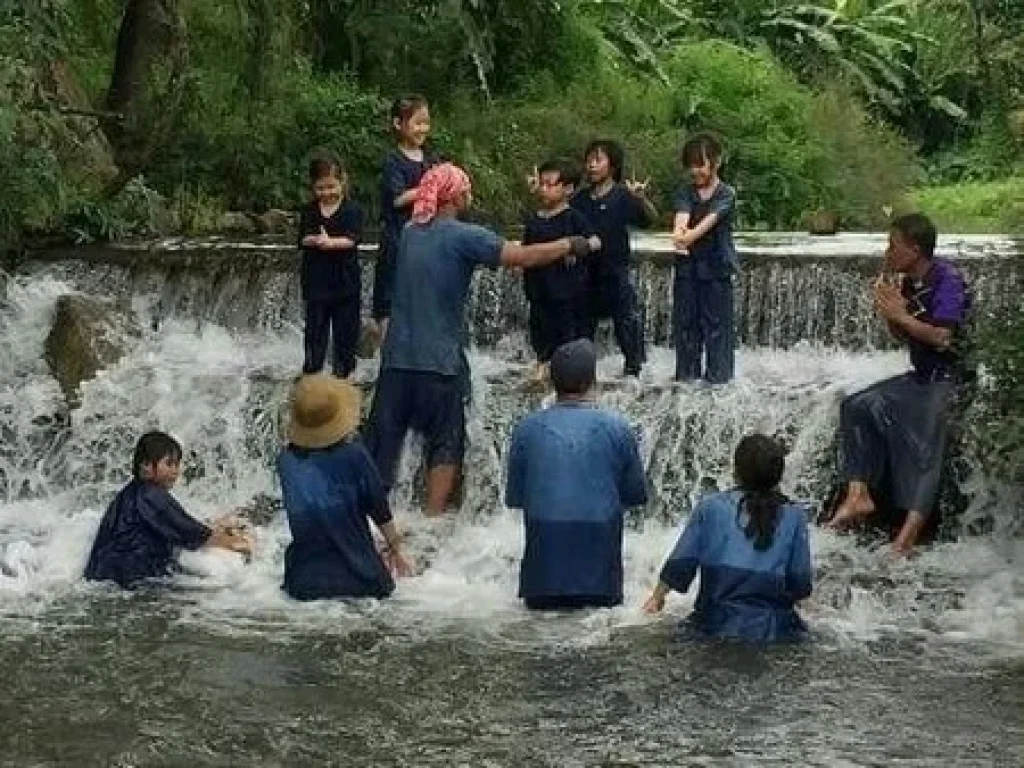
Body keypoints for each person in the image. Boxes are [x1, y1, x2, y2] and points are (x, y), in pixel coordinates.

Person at [365, 162, 598, 516]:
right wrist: (569, 243)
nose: (470, 195)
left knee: (384, 443)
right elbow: (521, 256)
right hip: (439, 362)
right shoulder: (464, 236)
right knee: (446, 442)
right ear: (455, 196)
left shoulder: (411, 232)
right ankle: (431, 521)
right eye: (467, 189)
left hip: (396, 359)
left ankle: (373, 520)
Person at [828, 213, 971, 555]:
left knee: (924, 442)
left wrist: (901, 315)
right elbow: (903, 334)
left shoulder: (947, 280)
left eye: (893, 245)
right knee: (856, 406)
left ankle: (907, 536)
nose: (886, 252)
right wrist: (889, 314)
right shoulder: (909, 281)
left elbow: (943, 338)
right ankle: (858, 495)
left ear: (915, 249)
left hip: (950, 380)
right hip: (922, 377)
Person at [505, 339, 647, 609]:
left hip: (542, 577)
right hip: (600, 577)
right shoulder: (618, 428)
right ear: (592, 382)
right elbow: (636, 495)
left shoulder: (526, 428)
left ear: (551, 383)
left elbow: (515, 498)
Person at [643, 434, 812, 644]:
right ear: (778, 475)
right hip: (773, 629)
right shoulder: (795, 516)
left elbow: (681, 564)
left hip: (714, 623)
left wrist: (657, 598)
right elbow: (800, 582)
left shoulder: (711, 507)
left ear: (736, 471)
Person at [278, 374, 412, 600]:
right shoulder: (354, 455)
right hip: (361, 579)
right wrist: (397, 549)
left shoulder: (286, 461)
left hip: (303, 582)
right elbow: (378, 507)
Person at [84, 432, 253, 588]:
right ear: (146, 466)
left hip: (108, 576)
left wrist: (217, 528)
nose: (175, 471)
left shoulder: (133, 492)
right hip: (128, 581)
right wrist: (236, 543)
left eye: (177, 465)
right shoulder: (150, 495)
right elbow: (191, 533)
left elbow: (181, 526)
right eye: (169, 464)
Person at [571, 139, 656, 378]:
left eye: (598, 160)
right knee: (581, 330)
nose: (591, 166)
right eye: (588, 161)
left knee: (627, 324)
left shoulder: (624, 196)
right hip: (585, 275)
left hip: (615, 272)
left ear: (613, 166)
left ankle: (635, 371)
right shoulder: (580, 200)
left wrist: (641, 199)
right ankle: (582, 377)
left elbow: (650, 220)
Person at [522, 159, 599, 381]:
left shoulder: (573, 218)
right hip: (537, 288)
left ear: (567, 189)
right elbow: (525, 247)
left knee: (566, 333)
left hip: (566, 291)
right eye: (541, 184)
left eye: (549, 184)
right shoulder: (534, 220)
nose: (543, 189)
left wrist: (577, 247)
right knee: (538, 328)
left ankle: (566, 373)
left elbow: (595, 240)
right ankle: (542, 363)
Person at [671, 132, 739, 384]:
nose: (694, 170)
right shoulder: (684, 192)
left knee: (718, 328)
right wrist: (679, 234)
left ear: (716, 162)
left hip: (717, 268)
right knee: (686, 326)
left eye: (700, 164)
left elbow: (710, 221)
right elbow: (682, 216)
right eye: (690, 165)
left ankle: (719, 380)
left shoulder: (726, 194)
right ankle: (686, 379)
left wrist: (685, 238)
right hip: (687, 269)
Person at [373, 94, 437, 344]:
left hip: (426, 238)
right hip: (397, 237)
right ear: (398, 124)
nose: (423, 129)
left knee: (420, 293)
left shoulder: (431, 159)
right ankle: (387, 349)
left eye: (426, 123)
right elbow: (397, 199)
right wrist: (430, 187)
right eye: (417, 122)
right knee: (389, 296)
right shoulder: (393, 161)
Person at [297, 154, 364, 379]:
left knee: (346, 331)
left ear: (342, 182)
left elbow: (353, 239)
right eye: (320, 188)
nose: (326, 192)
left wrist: (330, 243)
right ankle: (312, 369)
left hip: (345, 283)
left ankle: (345, 372)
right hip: (316, 281)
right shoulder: (309, 211)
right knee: (315, 330)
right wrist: (315, 240)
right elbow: (302, 239)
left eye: (331, 186)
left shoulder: (352, 210)